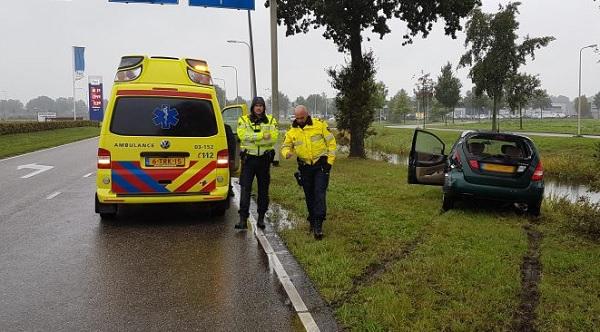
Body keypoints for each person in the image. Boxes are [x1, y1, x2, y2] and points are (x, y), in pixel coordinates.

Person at [281, 105, 336, 240]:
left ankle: (318, 225)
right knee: (309, 195)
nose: (300, 120)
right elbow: (285, 146)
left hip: (321, 165)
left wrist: (329, 162)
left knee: (319, 193)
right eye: (297, 118)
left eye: (302, 118)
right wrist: (286, 153)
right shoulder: (292, 131)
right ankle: (312, 220)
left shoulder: (320, 125)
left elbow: (332, 144)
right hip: (305, 167)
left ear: (307, 115)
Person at [235, 96, 279, 230]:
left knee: (263, 190)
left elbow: (273, 138)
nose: (259, 108)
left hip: (264, 160)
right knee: (245, 189)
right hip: (249, 160)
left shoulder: (271, 120)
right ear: (253, 107)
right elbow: (242, 136)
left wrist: (254, 138)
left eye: (261, 105)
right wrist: (261, 136)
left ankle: (261, 218)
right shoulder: (243, 120)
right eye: (256, 105)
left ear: (264, 107)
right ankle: (243, 219)